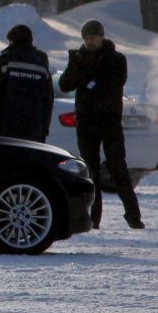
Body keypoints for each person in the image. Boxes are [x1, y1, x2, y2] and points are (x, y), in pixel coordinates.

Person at [60, 19, 144, 229]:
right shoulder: (79, 58)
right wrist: (74, 67)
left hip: (109, 120)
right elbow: (65, 84)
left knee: (118, 167)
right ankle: (93, 218)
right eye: (87, 38)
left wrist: (87, 80)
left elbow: (112, 83)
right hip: (86, 121)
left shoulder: (115, 59)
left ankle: (133, 216)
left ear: (102, 37)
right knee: (90, 170)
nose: (90, 41)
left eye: (94, 37)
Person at [0, 23, 55, 143]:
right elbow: (48, 102)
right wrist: (43, 130)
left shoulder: (3, 62)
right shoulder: (41, 67)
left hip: (4, 129)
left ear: (12, 41)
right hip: (33, 131)